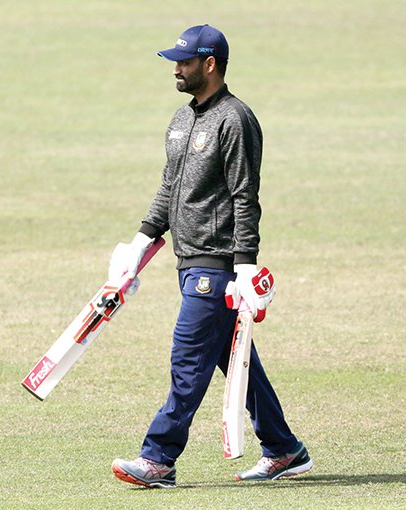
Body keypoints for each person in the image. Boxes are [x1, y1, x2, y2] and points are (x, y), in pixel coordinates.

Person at [108, 24, 312, 489]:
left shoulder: (235, 120)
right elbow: (170, 189)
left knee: (188, 359)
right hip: (187, 261)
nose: (175, 69)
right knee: (237, 363)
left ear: (210, 64)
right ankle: (284, 450)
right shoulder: (181, 120)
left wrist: (245, 266)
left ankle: (158, 458)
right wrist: (139, 242)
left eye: (183, 61)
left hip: (217, 265)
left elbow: (245, 195)